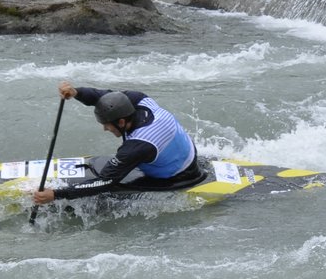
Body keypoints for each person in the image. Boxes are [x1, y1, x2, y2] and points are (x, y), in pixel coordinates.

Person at [31, 81, 200, 203]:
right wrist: (76, 92)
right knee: (116, 166)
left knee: (108, 182)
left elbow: (104, 182)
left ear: (120, 122)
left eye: (107, 125)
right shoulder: (138, 99)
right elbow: (102, 96)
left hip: (177, 175)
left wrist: (56, 195)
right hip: (185, 151)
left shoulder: (138, 146)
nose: (105, 129)